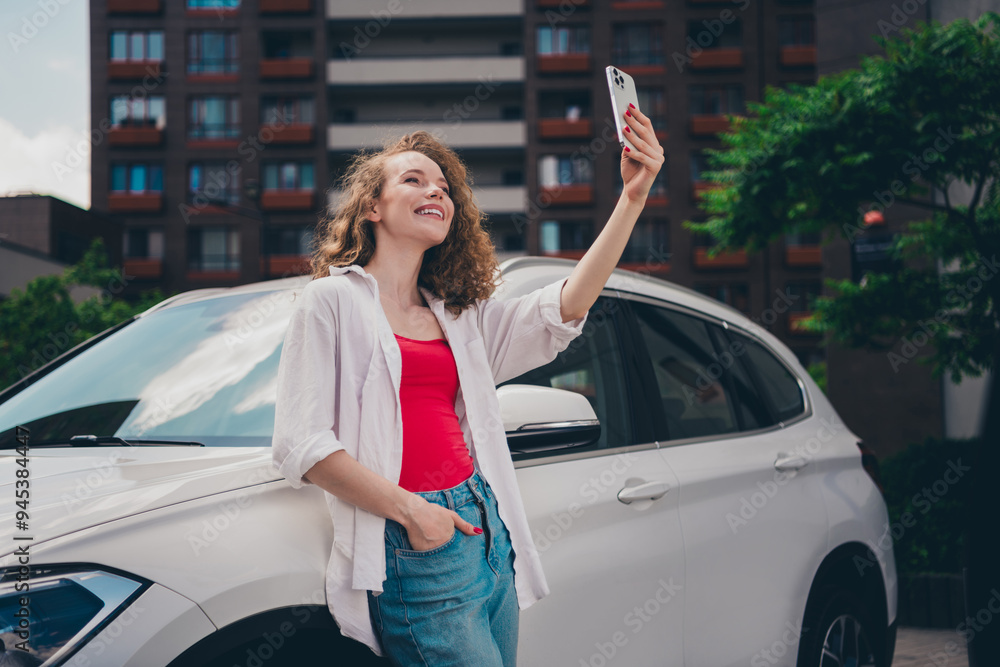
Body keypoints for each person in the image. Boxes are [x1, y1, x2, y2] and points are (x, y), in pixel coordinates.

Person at [271, 104, 663, 666]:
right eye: (414, 179)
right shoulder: (331, 301)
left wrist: (632, 198)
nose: (437, 191)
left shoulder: (459, 315)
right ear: (372, 207)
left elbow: (564, 307)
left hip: (483, 523)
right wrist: (415, 513)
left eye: (445, 186)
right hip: (419, 541)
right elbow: (303, 445)